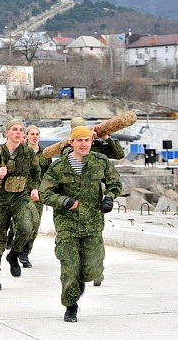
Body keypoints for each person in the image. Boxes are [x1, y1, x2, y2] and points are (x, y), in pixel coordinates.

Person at [40, 125, 123, 322]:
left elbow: (115, 183)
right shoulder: (59, 167)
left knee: (92, 269)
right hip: (67, 225)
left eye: (86, 140)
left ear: (91, 142)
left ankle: (79, 283)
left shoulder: (100, 161)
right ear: (72, 142)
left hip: (92, 224)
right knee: (69, 267)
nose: (83, 144)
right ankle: (70, 306)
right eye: (79, 140)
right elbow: (45, 193)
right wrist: (64, 201)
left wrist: (110, 197)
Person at [61, 117, 125, 287]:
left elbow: (119, 154)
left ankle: (96, 269)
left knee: (94, 238)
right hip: (75, 198)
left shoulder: (95, 145)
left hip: (95, 192)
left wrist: (105, 138)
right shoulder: (68, 148)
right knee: (75, 242)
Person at [0, 119, 40, 290]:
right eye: (14, 130)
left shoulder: (28, 153)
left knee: (26, 228)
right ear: (7, 132)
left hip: (20, 197)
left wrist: (35, 187)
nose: (18, 133)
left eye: (21, 130)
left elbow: (35, 171)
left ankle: (14, 254)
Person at [17, 125, 52, 268]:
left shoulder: (46, 154)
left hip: (37, 193)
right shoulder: (20, 153)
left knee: (35, 224)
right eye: (32, 134)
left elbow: (49, 175)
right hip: (20, 193)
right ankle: (17, 247)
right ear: (26, 137)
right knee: (23, 223)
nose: (35, 136)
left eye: (37, 134)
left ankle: (25, 252)